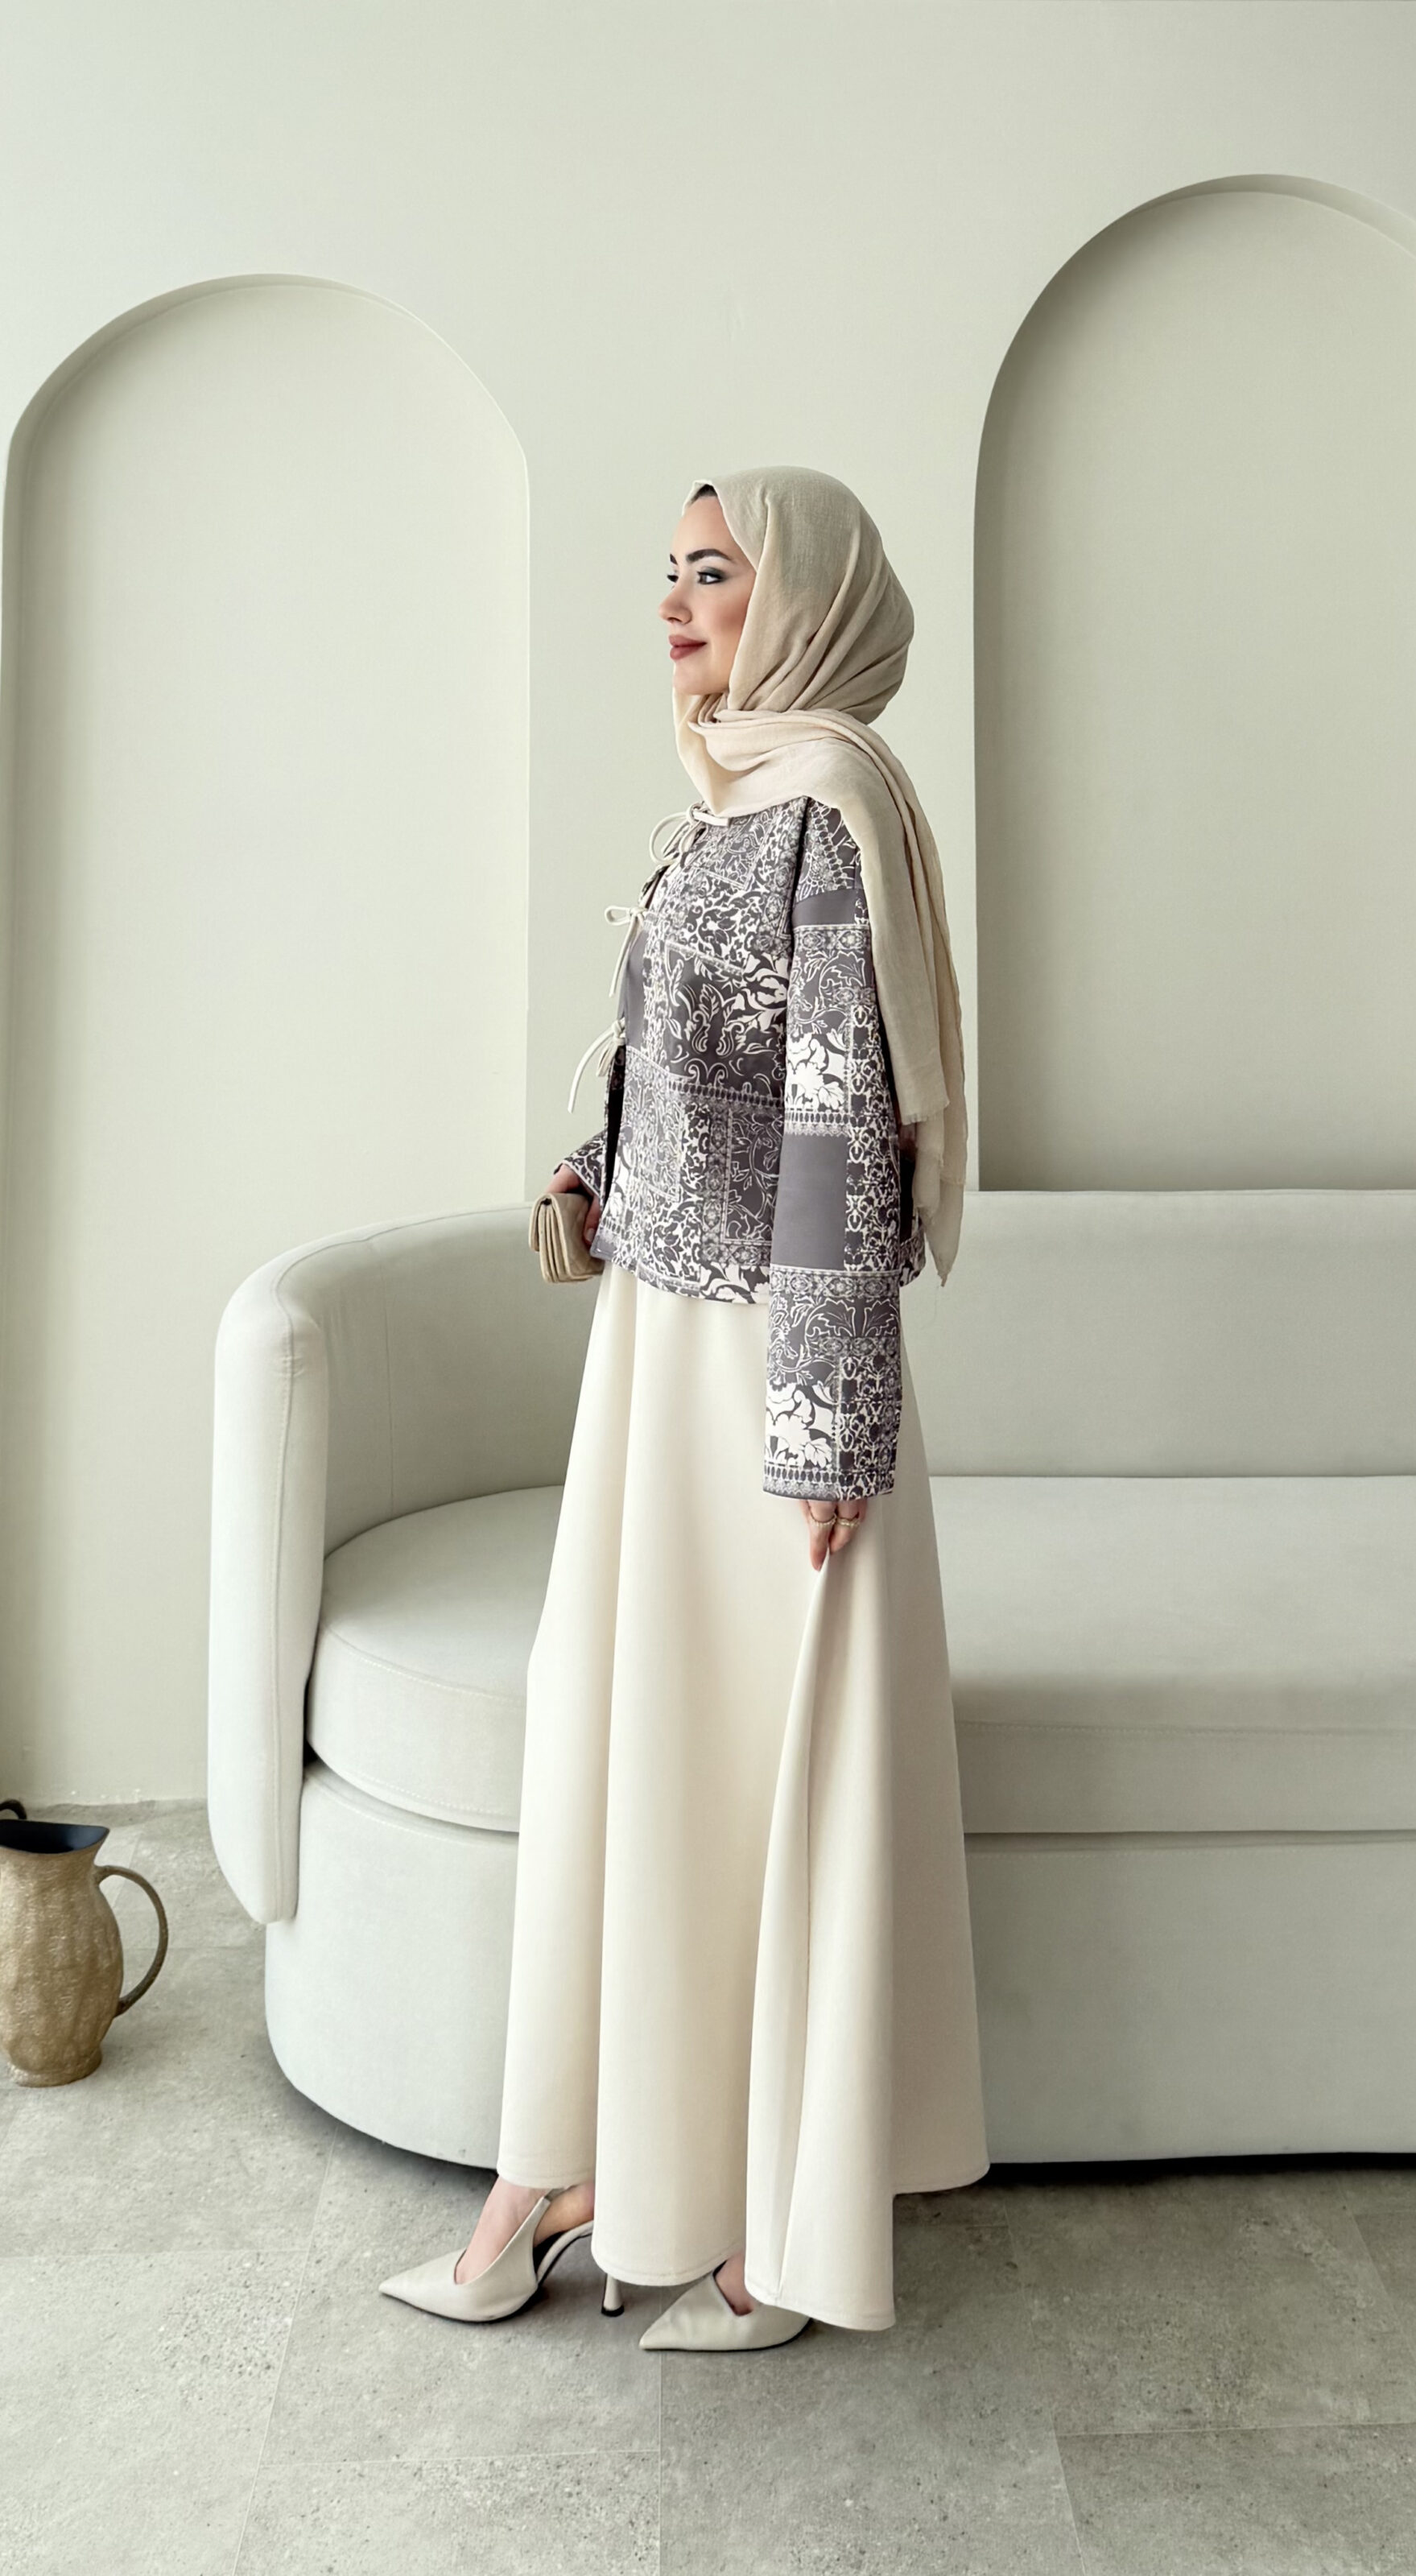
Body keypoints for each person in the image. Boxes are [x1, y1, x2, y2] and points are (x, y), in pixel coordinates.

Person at [381, 466, 988, 2351]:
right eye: (669, 570)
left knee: (745, 1765)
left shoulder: (830, 813)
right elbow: (686, 1063)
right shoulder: (726, 800)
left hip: (760, 1373)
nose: (673, 603)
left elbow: (838, 1121)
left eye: (713, 574)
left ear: (804, 603)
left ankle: (762, 2242)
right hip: (660, 1343)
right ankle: (579, 2171)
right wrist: (596, 1169)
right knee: (632, 1743)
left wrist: (824, 1420)